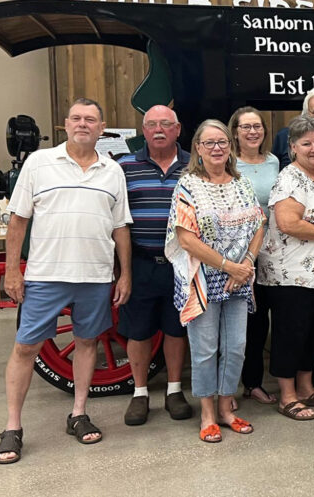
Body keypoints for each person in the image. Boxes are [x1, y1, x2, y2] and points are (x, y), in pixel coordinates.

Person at [0, 98, 132, 464]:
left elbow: (120, 228)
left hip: (95, 276)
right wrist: (12, 269)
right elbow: (18, 220)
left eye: (91, 119)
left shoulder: (111, 170)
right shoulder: (39, 163)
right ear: (65, 125)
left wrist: (124, 274)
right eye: (76, 118)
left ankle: (79, 412)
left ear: (102, 128)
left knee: (87, 343)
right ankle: (12, 428)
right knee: (26, 347)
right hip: (45, 275)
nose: (83, 124)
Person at [166, 119, 266, 443]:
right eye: (209, 143)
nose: (217, 148)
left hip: (239, 279)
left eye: (222, 142)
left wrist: (247, 263)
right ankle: (207, 413)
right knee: (205, 349)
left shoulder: (242, 184)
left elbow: (259, 225)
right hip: (204, 281)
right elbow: (186, 239)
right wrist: (227, 266)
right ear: (198, 148)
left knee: (236, 347)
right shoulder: (188, 186)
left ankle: (227, 408)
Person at [258, 115, 314, 422]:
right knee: (291, 333)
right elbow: (287, 222)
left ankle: (306, 387)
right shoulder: (289, 178)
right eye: (306, 143)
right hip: (290, 273)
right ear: (292, 147)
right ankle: (287, 395)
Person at [117, 104, 193, 426]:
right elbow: (116, 218)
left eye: (166, 124)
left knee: (177, 329)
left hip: (182, 262)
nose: (158, 129)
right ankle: (140, 393)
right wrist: (123, 272)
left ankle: (174, 390)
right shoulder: (123, 167)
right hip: (142, 261)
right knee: (139, 330)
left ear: (177, 130)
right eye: (151, 124)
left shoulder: (195, 165)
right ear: (143, 131)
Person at [228, 106, 280, 406]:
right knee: (233, 321)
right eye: (245, 127)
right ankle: (227, 388)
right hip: (236, 253)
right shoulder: (229, 163)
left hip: (270, 251)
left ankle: (253, 383)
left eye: (257, 126)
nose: (252, 132)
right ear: (235, 131)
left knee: (259, 322)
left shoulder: (273, 161)